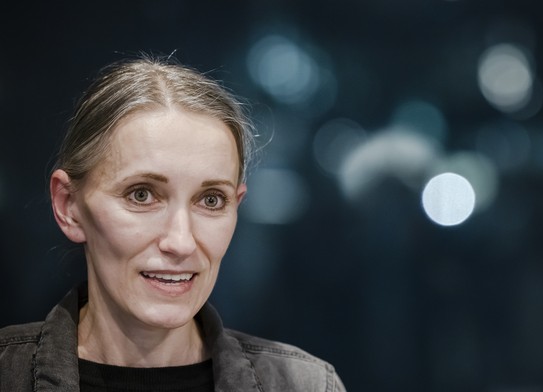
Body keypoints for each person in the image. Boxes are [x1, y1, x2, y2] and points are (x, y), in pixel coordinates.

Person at [0, 56, 345, 391]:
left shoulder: (305, 384)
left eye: (211, 200)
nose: (181, 242)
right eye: (141, 195)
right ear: (69, 206)